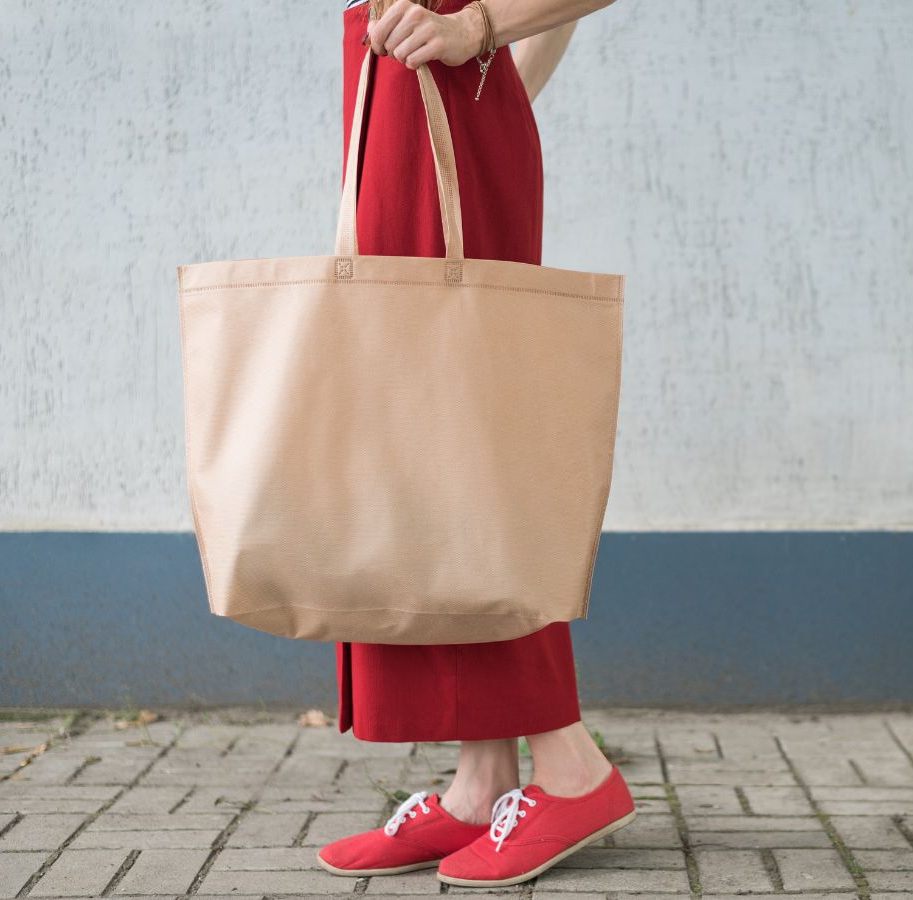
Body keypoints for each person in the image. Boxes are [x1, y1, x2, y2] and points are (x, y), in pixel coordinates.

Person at [316, 0, 632, 888]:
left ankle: (570, 766)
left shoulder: (466, 34)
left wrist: (480, 28)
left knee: (462, 446)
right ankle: (479, 780)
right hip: (402, 96)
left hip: (439, 83)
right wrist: (495, 81)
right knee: (418, 451)